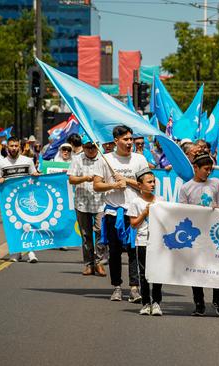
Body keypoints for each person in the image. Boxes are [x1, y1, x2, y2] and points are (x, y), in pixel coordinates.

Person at [93, 125, 148, 303]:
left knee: (134, 251)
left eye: (131, 139)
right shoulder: (105, 159)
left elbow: (145, 185)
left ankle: (134, 287)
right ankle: (116, 286)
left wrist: (127, 181)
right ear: (116, 141)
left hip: (134, 213)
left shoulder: (139, 160)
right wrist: (114, 185)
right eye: (125, 139)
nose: (129, 142)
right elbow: (96, 185)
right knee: (115, 252)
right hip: (112, 213)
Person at [178, 153, 219, 317]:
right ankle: (199, 302)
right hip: (196, 237)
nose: (208, 172)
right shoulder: (186, 188)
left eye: (210, 169)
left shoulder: (216, 184)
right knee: (196, 269)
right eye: (206, 169)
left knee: (217, 267)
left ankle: (217, 300)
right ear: (196, 168)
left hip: (214, 234)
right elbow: (182, 212)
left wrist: (217, 210)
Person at [0, 136, 40, 263]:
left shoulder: (28, 161)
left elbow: (35, 176)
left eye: (16, 146)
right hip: (10, 201)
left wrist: (36, 175)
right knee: (15, 226)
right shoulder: (2, 163)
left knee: (29, 225)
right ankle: (17, 253)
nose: (14, 148)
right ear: (7, 147)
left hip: (26, 199)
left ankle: (31, 252)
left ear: (19, 146)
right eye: (11, 146)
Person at [67, 138, 107, 277]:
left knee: (101, 232)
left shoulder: (103, 159)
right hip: (82, 202)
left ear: (98, 147)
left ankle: (99, 263)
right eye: (88, 147)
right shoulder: (77, 159)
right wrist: (85, 178)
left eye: (93, 147)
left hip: (100, 202)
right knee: (86, 234)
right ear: (83, 147)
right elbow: (71, 179)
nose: (91, 150)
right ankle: (88, 264)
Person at [128, 169, 165, 316]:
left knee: (157, 273)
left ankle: (156, 302)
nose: (152, 184)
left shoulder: (160, 200)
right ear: (140, 185)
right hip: (143, 241)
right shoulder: (136, 202)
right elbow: (133, 224)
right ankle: (145, 303)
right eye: (149, 182)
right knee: (143, 273)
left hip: (158, 242)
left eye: (154, 182)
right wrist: (145, 213)